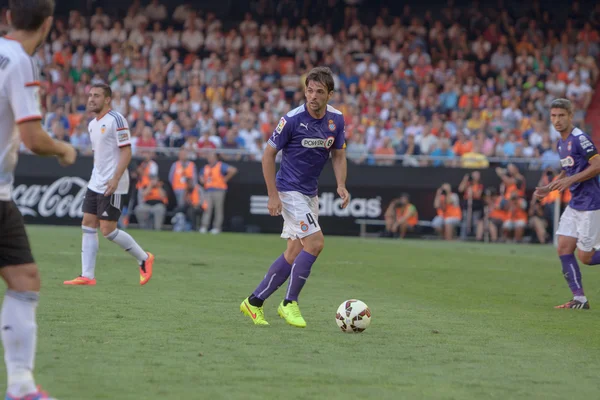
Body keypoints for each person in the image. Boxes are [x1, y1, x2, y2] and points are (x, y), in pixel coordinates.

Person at [0, 1, 77, 398]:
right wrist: (64, 149)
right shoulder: (21, 61)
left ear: (9, 17)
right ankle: (21, 386)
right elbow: (32, 138)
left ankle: (21, 386)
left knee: (23, 277)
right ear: (47, 25)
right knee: (24, 281)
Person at [240, 66, 349, 328]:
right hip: (288, 190)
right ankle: (289, 303)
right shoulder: (291, 120)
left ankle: (253, 303)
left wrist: (341, 185)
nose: (312, 96)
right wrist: (272, 195)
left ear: (329, 94)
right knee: (315, 243)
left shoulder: (337, 120)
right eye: (309, 90)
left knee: (294, 251)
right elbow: (268, 155)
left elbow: (339, 154)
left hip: (309, 193)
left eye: (319, 92)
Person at [63, 84, 155, 286]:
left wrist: (115, 178)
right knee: (87, 223)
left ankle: (144, 258)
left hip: (114, 183)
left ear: (107, 100)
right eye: (89, 96)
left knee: (108, 230)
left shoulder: (116, 120)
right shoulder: (92, 124)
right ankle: (87, 276)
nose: (91, 99)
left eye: (96, 96)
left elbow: (126, 151)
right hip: (96, 181)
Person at [534, 98, 600, 310]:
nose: (557, 120)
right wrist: (550, 187)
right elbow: (568, 169)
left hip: (591, 204)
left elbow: (597, 164)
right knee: (563, 247)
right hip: (575, 204)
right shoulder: (561, 142)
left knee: (586, 257)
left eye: (561, 115)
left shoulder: (580, 138)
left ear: (571, 116)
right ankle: (579, 300)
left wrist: (570, 180)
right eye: (553, 116)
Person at [198, 152, 238, 234]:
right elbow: (201, 176)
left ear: (215, 158)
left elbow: (233, 170)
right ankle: (204, 226)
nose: (210, 159)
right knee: (207, 209)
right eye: (209, 157)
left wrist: (225, 178)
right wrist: (202, 179)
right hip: (208, 190)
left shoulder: (220, 165)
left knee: (218, 210)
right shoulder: (205, 168)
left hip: (219, 190)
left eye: (212, 157)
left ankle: (217, 227)